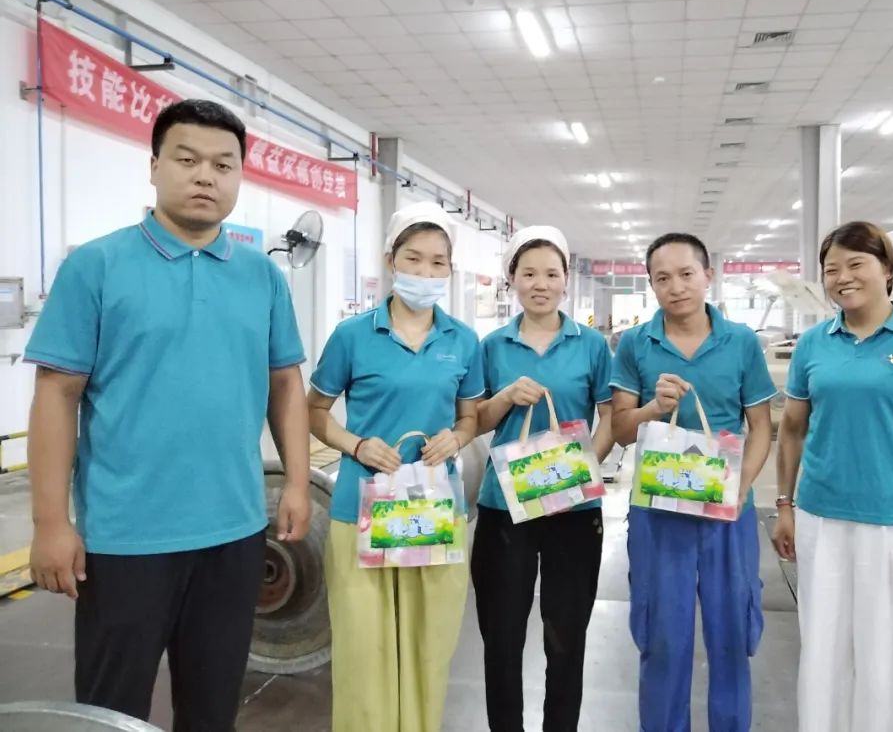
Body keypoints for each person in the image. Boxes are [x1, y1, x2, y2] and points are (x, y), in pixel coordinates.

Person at [25, 99, 312, 730]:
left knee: (212, 707)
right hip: (126, 537)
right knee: (110, 710)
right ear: (154, 166)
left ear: (239, 176)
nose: (206, 176)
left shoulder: (262, 277)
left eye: (223, 165)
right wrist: (50, 522)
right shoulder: (97, 266)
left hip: (234, 532)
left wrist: (295, 482)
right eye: (187, 159)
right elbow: (57, 394)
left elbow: (285, 383)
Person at [771, 221, 893, 732]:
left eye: (855, 264)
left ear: (887, 270)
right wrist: (785, 505)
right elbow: (792, 429)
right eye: (831, 269)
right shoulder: (814, 343)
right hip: (820, 518)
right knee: (823, 651)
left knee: (885, 657)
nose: (842, 277)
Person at [307, 200, 483, 732]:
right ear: (390, 260)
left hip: (432, 509)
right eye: (414, 258)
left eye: (437, 262)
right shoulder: (353, 336)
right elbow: (314, 411)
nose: (425, 272)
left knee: (430, 646)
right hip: (362, 508)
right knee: (365, 650)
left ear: (450, 269)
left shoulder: (462, 340)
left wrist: (456, 438)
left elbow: (470, 416)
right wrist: (357, 445)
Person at [610, 233, 776, 732]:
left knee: (732, 634)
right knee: (663, 636)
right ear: (651, 285)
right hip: (659, 511)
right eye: (663, 278)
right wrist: (652, 407)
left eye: (686, 274)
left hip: (726, 509)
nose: (676, 287)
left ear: (708, 275)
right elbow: (621, 429)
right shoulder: (636, 344)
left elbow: (761, 426)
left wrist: (743, 486)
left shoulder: (741, 342)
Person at [471, 225, 614, 732]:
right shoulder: (491, 346)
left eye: (551, 274)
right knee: (502, 636)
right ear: (511, 279)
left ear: (565, 280)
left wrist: (581, 473)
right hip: (503, 508)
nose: (541, 284)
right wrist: (505, 397)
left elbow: (609, 417)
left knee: (566, 636)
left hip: (573, 511)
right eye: (529, 273)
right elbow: (474, 421)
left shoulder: (591, 345)